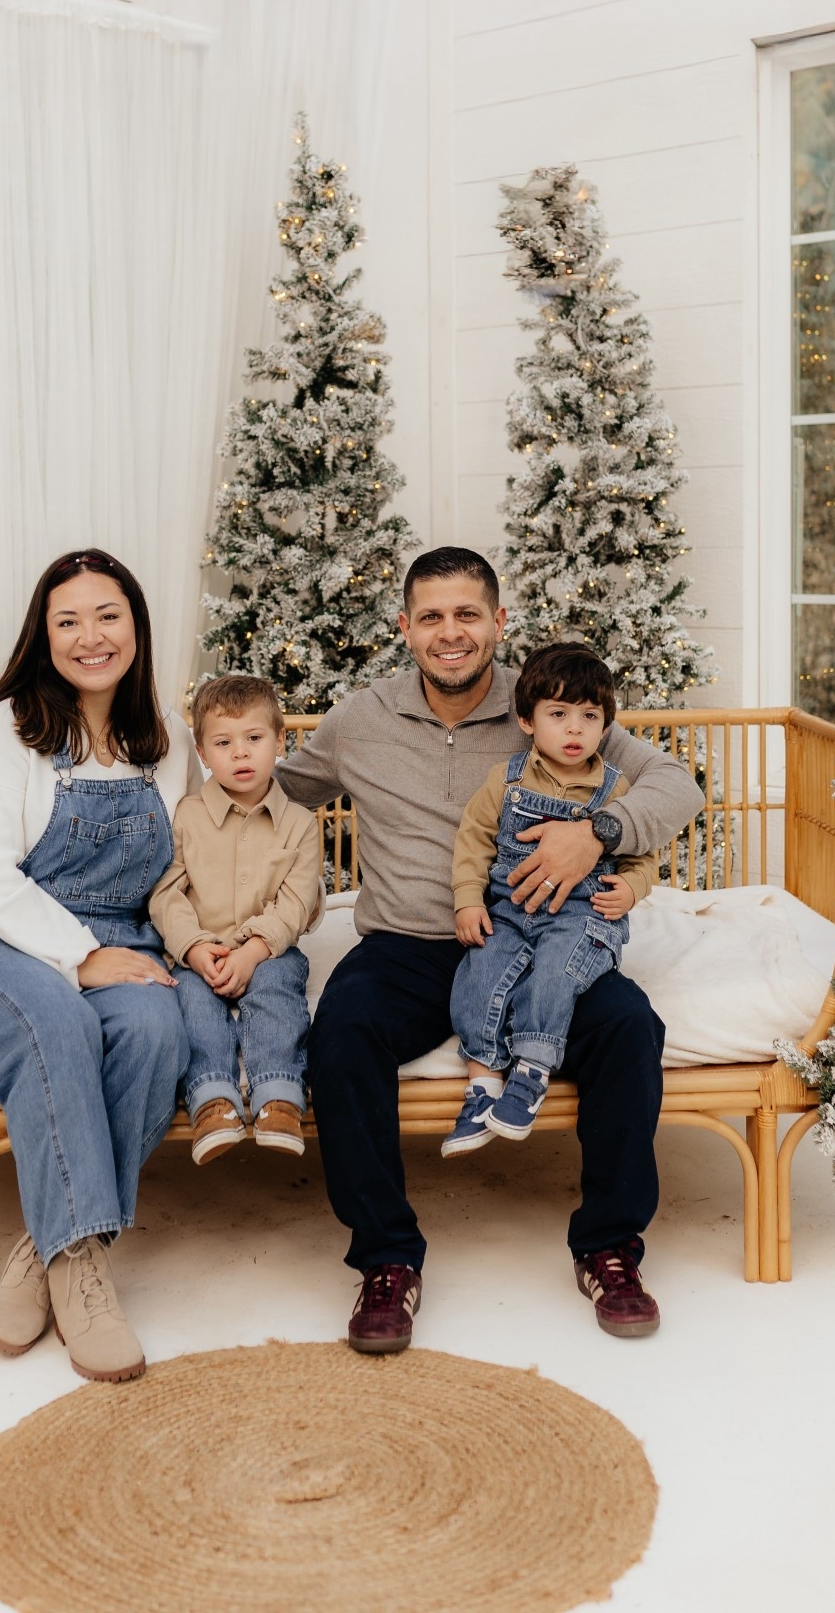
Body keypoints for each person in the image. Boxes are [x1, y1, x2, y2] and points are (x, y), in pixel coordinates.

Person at [278, 546, 704, 1353]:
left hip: (535, 936)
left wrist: (597, 834)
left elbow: (675, 785)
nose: (450, 633)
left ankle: (608, 1247)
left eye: (467, 614)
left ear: (498, 622)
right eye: (431, 617)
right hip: (407, 944)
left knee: (627, 1028)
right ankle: (386, 1261)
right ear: (404, 628)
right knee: (340, 1032)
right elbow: (272, 792)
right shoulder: (358, 719)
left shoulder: (551, 703)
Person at [0, 549, 199, 1384]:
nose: (91, 637)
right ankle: (83, 1278)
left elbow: (178, 871)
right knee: (59, 1024)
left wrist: (192, 946)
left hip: (126, 939)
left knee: (157, 1031)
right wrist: (79, 958)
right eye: (68, 621)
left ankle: (38, 1253)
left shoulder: (167, 740)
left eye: (107, 615)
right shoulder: (10, 729)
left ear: (137, 626)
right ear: (44, 639)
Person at [442, 642, 656, 1156]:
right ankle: (482, 1087)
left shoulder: (615, 789)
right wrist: (468, 900)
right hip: (510, 911)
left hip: (581, 917)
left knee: (555, 974)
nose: (575, 728)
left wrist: (630, 889)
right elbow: (474, 840)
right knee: (478, 972)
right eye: (558, 714)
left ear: (606, 726)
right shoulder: (506, 780)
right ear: (527, 720)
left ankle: (530, 1076)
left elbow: (643, 857)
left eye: (589, 716)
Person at [150, 674, 321, 1165]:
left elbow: (296, 901)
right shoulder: (185, 816)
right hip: (200, 951)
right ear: (203, 753)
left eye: (254, 739)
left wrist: (254, 950)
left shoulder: (299, 823)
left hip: (268, 950)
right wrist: (196, 949)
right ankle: (212, 1098)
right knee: (191, 998)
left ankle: (279, 1095)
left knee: (277, 992)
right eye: (224, 743)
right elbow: (166, 895)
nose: (240, 755)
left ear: (280, 741)